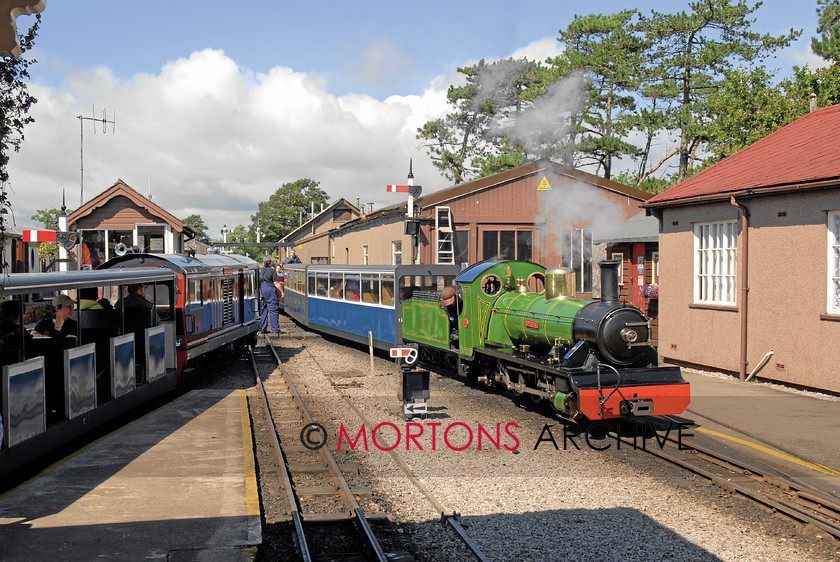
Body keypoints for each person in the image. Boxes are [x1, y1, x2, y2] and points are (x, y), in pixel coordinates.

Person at [260, 256, 282, 334]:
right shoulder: (272, 271)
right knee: (273, 310)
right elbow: (276, 283)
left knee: (263, 310)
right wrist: (282, 291)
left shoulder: (260, 271)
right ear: (270, 263)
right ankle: (275, 329)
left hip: (262, 291)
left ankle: (263, 329)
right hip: (270, 292)